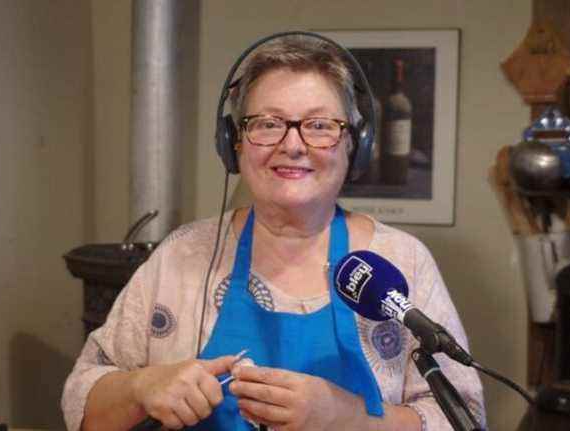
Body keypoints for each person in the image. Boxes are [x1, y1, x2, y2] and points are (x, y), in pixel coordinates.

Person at [62, 33, 485, 431]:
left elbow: (463, 418)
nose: (293, 145)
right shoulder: (182, 254)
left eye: (320, 126)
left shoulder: (402, 260)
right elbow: (81, 402)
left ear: (355, 144)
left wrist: (352, 419)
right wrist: (141, 389)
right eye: (268, 123)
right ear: (235, 143)